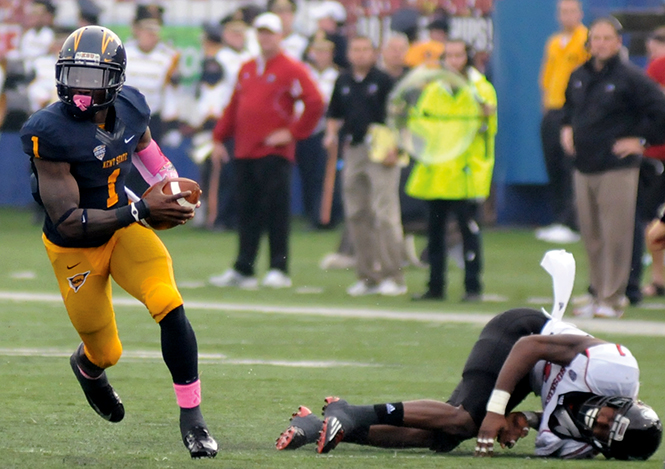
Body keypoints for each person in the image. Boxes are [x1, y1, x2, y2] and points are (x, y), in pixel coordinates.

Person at [19, 26, 218, 458]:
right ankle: (87, 367)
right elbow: (70, 223)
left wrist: (167, 183)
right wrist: (143, 210)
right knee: (106, 350)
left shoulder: (131, 106)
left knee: (168, 302)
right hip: (76, 248)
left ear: (116, 80)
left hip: (124, 228)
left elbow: (143, 143)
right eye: (73, 76)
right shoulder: (47, 132)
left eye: (92, 79)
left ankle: (193, 418)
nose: (81, 89)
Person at [275, 308, 662, 460]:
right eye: (611, 417)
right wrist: (496, 412)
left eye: (601, 432)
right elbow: (530, 346)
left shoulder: (574, 446)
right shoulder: (616, 368)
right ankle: (352, 412)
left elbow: (557, 405)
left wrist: (522, 417)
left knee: (442, 435)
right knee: (464, 419)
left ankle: (332, 426)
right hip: (520, 333)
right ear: (625, 401)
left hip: (530, 374)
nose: (598, 420)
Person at [208, 13, 324, 289]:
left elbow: (315, 101)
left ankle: (278, 268)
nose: (265, 37)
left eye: (269, 32)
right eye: (260, 32)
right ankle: (243, 268)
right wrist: (218, 137)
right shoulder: (248, 68)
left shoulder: (290, 68)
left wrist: (293, 133)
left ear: (279, 35)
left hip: (274, 152)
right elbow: (235, 105)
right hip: (245, 150)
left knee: (276, 211)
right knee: (247, 211)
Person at [562, 17, 665, 318]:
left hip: (617, 167)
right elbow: (569, 108)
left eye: (608, 38)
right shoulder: (579, 75)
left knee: (616, 235)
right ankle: (597, 292)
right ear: (589, 41)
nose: (601, 44)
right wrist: (566, 128)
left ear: (618, 42)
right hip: (585, 164)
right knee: (592, 235)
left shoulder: (631, 77)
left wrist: (642, 141)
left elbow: (660, 111)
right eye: (597, 38)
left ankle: (613, 298)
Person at [406, 39, 497, 302]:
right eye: (450, 56)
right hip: (438, 171)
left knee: (469, 232)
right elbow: (419, 124)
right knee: (434, 233)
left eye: (459, 56)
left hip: (465, 172)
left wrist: (485, 116)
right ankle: (435, 286)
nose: (454, 61)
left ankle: (473, 286)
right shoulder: (434, 89)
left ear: (468, 58)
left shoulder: (481, 89)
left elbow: (489, 129)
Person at [326, 35, 406, 296]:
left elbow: (399, 118)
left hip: (382, 149)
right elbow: (334, 114)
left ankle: (393, 275)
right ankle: (367, 275)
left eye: (365, 49)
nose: (360, 54)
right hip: (354, 149)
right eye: (355, 49)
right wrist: (330, 135)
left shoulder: (384, 81)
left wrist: (396, 147)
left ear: (374, 53)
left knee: (384, 213)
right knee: (357, 213)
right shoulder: (344, 80)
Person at [536, 0, 587, 244]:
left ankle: (573, 221)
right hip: (553, 109)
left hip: (574, 111)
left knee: (570, 166)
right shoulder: (554, 42)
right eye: (563, 12)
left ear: (580, 13)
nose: (567, 16)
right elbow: (546, 78)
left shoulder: (585, 40)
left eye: (571, 11)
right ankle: (559, 219)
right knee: (553, 164)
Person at [123, 3, 181, 146]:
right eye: (147, 29)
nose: (151, 34)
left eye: (155, 30)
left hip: (153, 119)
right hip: (125, 117)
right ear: (137, 30)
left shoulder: (168, 56)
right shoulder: (125, 52)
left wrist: (172, 125)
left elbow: (169, 92)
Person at [638, 27, 665, 299]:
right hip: (656, 153)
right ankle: (658, 279)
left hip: (657, 154)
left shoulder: (657, 68)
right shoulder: (656, 69)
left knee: (653, 222)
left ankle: (658, 279)